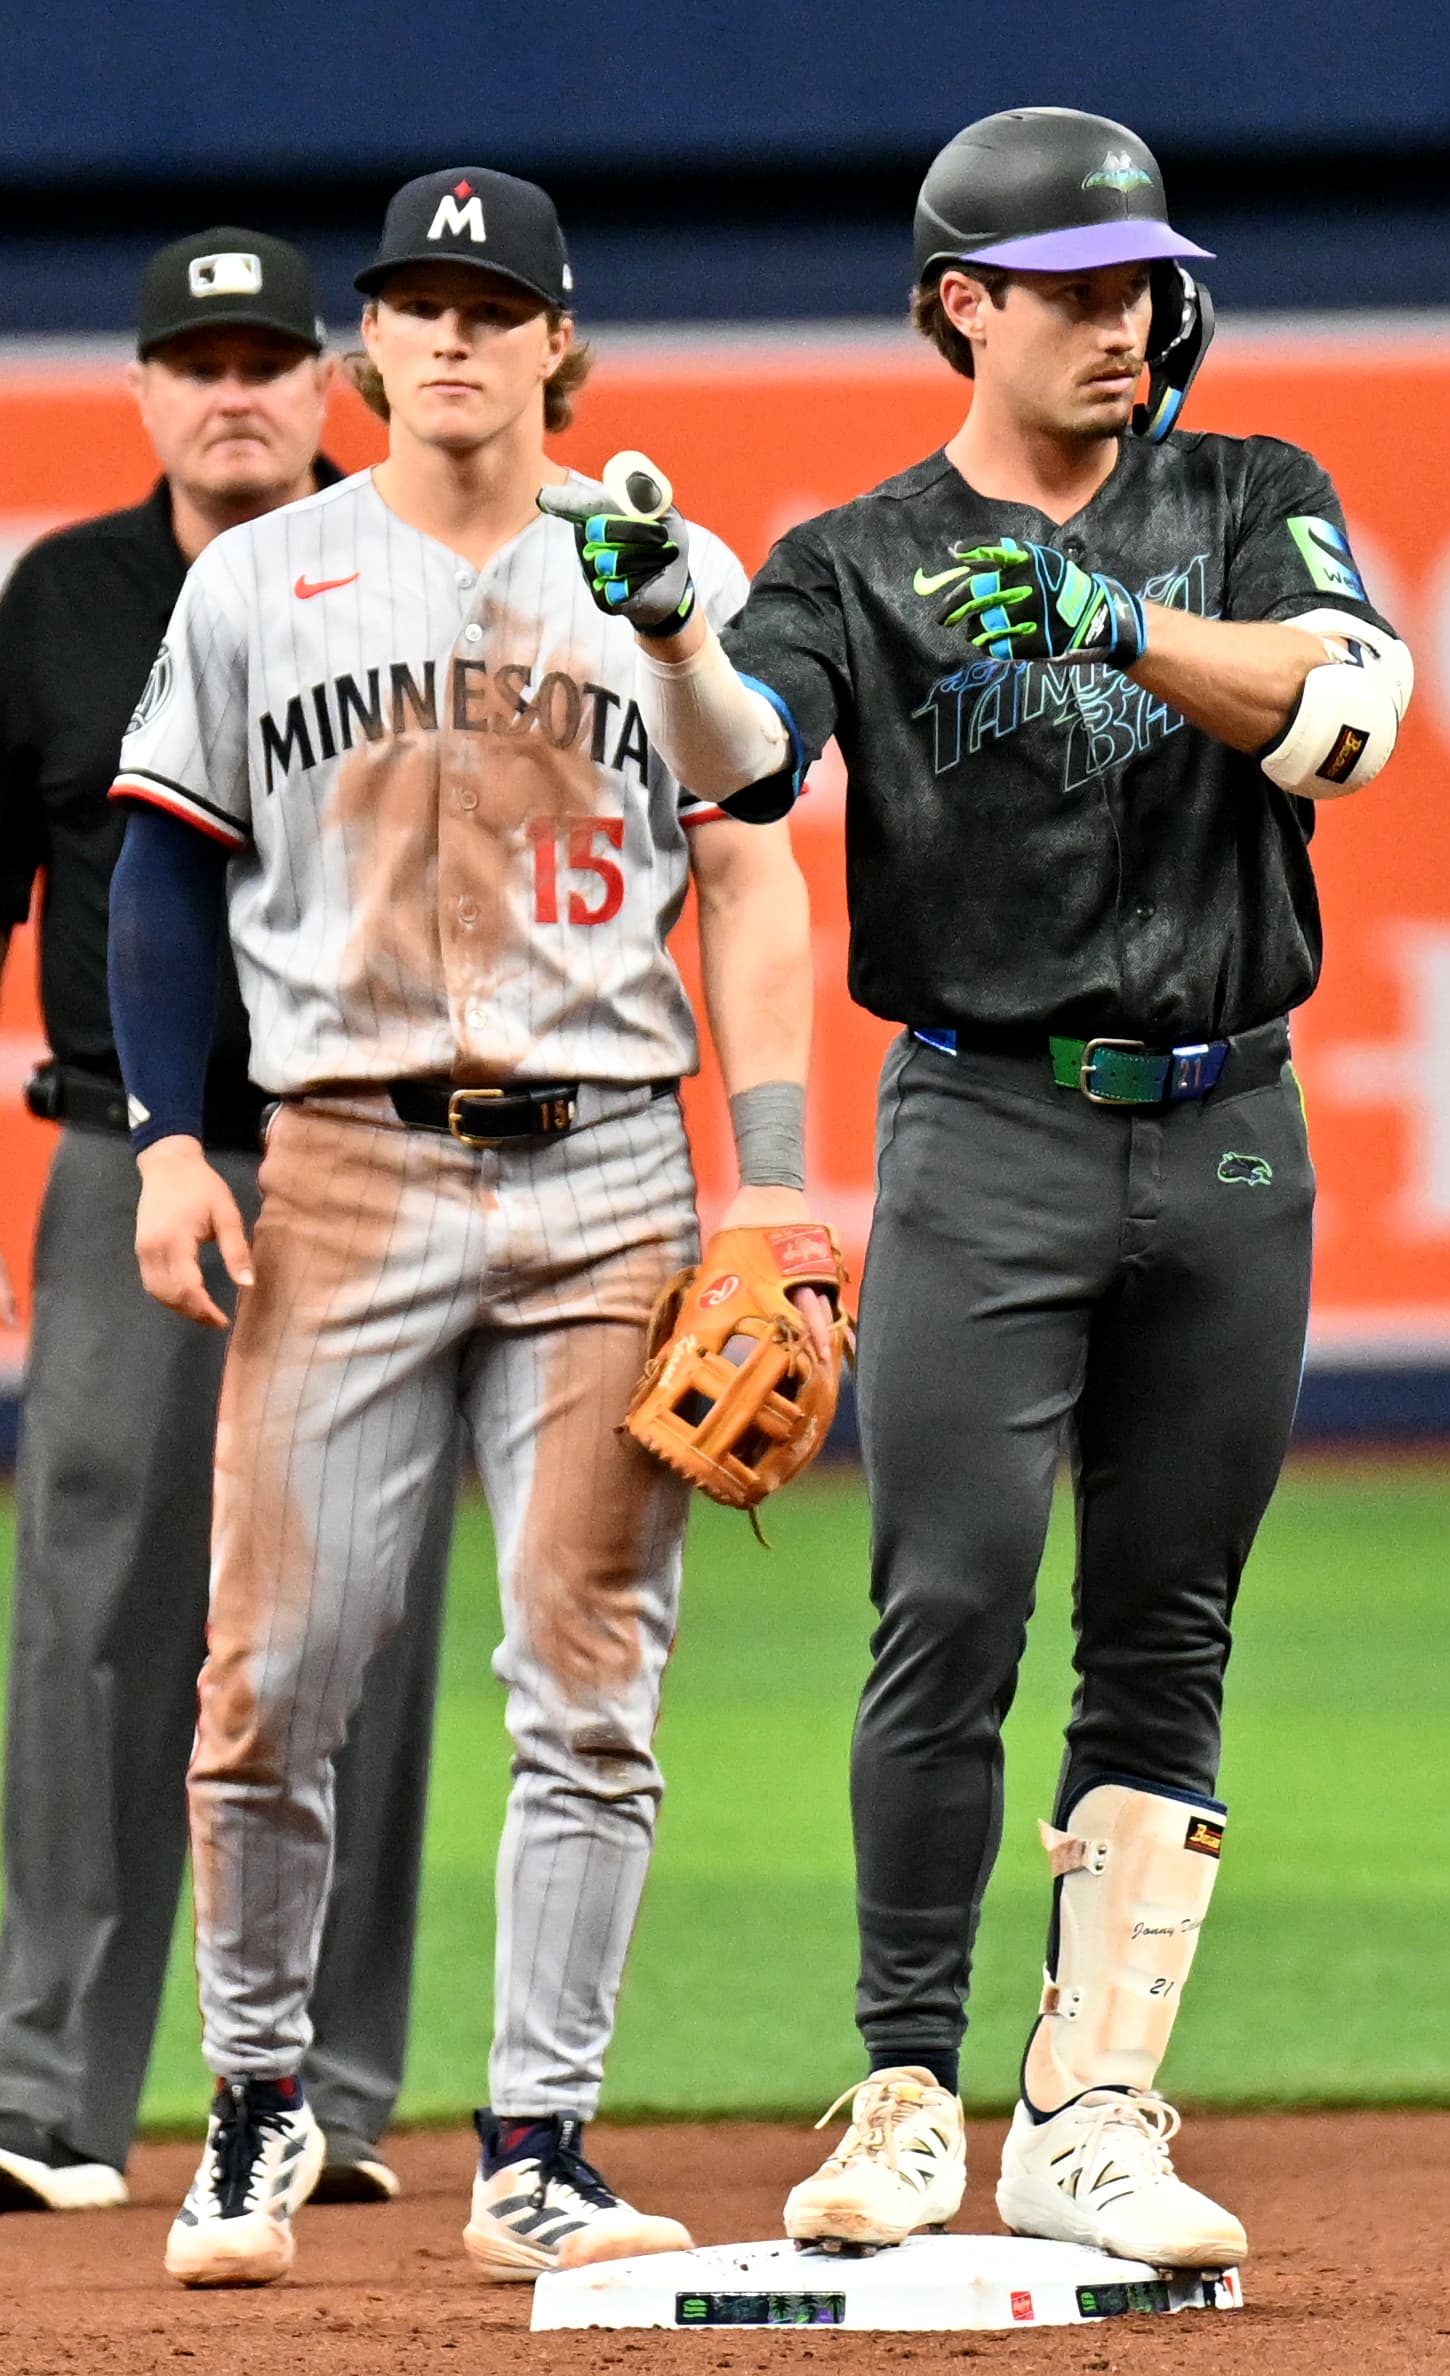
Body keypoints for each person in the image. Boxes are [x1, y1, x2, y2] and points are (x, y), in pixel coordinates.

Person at [548, 106, 1412, 2270]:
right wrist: (674, 636)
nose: (1125, 322)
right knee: (948, 1604)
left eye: (1141, 287)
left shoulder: (1249, 495)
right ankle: (911, 2091)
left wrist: (1121, 624)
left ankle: (1091, 2109)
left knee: (1168, 1622)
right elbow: (754, 760)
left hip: (1229, 1121)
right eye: (1074, 290)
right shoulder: (860, 555)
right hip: (988, 1122)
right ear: (963, 305)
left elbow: (1350, 718)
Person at [107, 166, 821, 2290]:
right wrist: (170, 1141)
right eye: (415, 304)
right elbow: (162, 871)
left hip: (609, 1175)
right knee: (275, 1672)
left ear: (555, 343)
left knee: (590, 1685)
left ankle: (540, 2146)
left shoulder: (658, 566)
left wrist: (776, 1167)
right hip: (340, 1163)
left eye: (490, 307)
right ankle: (257, 2108)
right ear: (370, 347)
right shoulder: (262, 579)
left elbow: (755, 839)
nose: (448, 335)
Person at [0, 227, 452, 2215]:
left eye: (269, 357)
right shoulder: (65, 599)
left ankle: (324, 2097)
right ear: (143, 391)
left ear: (328, 382)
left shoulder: (418, 573)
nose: (235, 390)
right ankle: (47, 2093)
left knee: (364, 1619)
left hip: (382, 1159)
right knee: (95, 1613)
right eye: (198, 360)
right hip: (132, 1157)